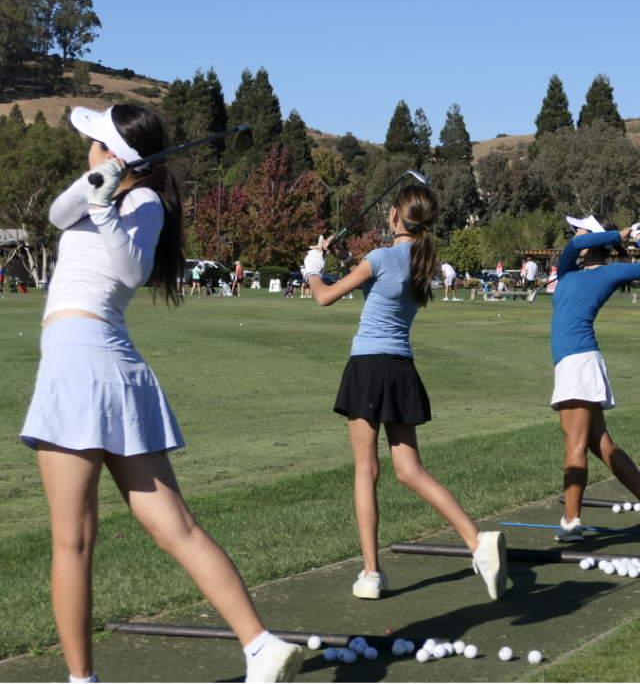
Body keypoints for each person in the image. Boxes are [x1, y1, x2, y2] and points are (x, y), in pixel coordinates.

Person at [20, 105, 302, 683]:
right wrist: (96, 186)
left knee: (74, 541)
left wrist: (105, 206)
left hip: (81, 365)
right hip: (102, 366)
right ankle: (261, 645)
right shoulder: (102, 184)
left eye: (94, 142)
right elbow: (54, 214)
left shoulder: (142, 203)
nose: (87, 148)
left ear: (114, 150)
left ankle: (83, 681)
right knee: (169, 525)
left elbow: (130, 270)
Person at [303, 185, 507, 601]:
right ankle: (475, 542)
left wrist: (312, 264)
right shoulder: (423, 261)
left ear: (395, 217)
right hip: (400, 369)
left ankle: (372, 574)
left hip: (367, 366)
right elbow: (378, 284)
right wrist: (345, 259)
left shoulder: (380, 258)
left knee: (366, 471)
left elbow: (323, 296)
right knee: (410, 470)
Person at [550, 214, 640, 543]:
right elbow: (576, 244)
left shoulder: (609, 273)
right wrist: (613, 234)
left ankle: (572, 522)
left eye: (580, 226)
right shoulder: (568, 269)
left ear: (597, 236)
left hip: (579, 362)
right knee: (599, 444)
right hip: (571, 364)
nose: (573, 232)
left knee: (574, 445)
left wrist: (639, 235)